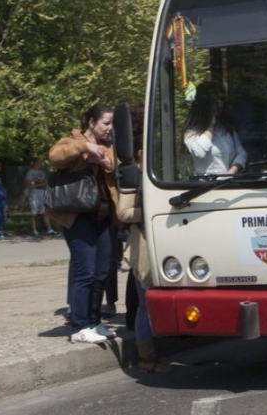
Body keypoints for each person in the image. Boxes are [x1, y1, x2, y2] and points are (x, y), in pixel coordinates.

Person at [47, 104, 119, 344]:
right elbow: (55, 157)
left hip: (102, 217)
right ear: (91, 123)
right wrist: (86, 148)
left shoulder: (109, 147)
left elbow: (118, 169)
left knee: (101, 273)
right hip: (77, 218)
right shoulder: (71, 141)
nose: (110, 127)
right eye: (106, 123)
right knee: (85, 271)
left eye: (111, 123)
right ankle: (79, 326)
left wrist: (109, 165)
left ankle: (94, 321)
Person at [116, 105, 172, 372]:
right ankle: (146, 359)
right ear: (141, 151)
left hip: (161, 243)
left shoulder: (155, 171)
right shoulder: (131, 173)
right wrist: (152, 211)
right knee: (145, 306)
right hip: (143, 245)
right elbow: (124, 212)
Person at [183, 80, 247, 175]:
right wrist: (210, 126)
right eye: (214, 105)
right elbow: (199, 152)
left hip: (228, 184)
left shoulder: (226, 128)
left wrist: (232, 171)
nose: (217, 108)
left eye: (220, 103)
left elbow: (242, 153)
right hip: (204, 186)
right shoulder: (191, 132)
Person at [25, 157, 57, 237]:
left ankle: (50, 229)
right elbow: (28, 185)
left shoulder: (42, 173)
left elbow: (44, 183)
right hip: (34, 194)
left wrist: (44, 186)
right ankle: (34, 230)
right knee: (34, 212)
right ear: (34, 163)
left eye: (41, 162)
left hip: (42, 193)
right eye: (38, 162)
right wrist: (39, 185)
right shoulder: (30, 172)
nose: (40, 163)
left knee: (45, 211)